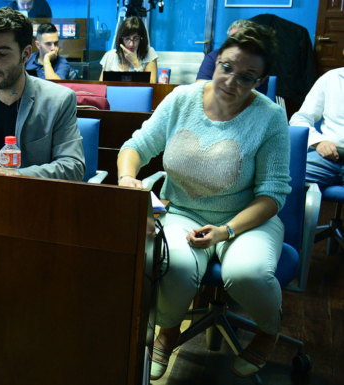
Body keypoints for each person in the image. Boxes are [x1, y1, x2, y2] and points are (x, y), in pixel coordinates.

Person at [117, 25, 289, 380]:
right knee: (176, 268)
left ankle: (268, 330)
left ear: (261, 80)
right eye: (225, 67)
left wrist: (225, 231)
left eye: (246, 77)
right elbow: (135, 146)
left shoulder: (270, 118)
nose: (230, 81)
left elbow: (272, 194)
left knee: (247, 274)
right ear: (216, 60)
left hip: (245, 220)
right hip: (182, 210)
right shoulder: (182, 98)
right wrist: (126, 178)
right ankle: (168, 330)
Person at [0, 7, 85, 180]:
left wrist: (13, 175)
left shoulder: (58, 100)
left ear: (26, 54)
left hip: (33, 200)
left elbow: (73, 166)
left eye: (2, 54)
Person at [290, 49, 344, 188]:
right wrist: (319, 142)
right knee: (284, 179)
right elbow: (300, 119)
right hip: (328, 157)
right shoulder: (331, 78)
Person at [197, 19, 269, 95]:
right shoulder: (214, 56)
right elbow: (201, 86)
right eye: (226, 68)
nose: (230, 83)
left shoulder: (259, 63)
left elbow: (256, 95)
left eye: (246, 77)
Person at [99, 17, 158, 83]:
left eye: (135, 39)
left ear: (141, 39)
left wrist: (135, 62)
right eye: (127, 39)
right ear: (121, 39)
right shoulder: (111, 55)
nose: (131, 44)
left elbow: (152, 86)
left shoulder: (149, 53)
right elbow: (101, 86)